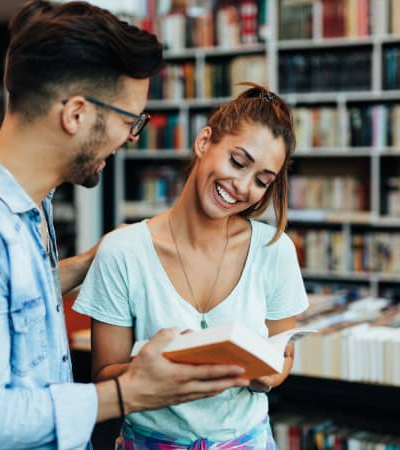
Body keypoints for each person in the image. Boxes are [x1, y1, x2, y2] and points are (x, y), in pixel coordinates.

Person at [0, 2, 250, 449]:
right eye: (131, 121)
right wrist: (129, 394)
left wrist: (88, 262)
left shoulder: (18, 201)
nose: (131, 138)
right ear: (75, 114)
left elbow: (2, 305)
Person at [73, 82, 309, 449]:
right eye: (237, 162)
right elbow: (105, 377)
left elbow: (285, 352)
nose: (242, 186)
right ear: (203, 142)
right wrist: (165, 368)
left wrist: (268, 374)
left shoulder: (274, 251)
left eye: (262, 181)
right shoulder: (123, 252)